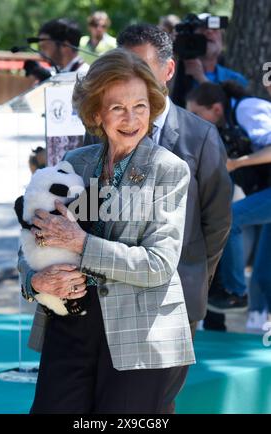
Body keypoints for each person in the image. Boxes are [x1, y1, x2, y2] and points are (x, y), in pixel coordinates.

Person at [18, 48, 195, 414]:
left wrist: (80, 243)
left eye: (140, 106)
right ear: (97, 113)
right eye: (118, 108)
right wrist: (36, 281)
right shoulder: (74, 165)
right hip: (69, 325)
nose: (131, 119)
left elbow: (158, 264)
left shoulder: (169, 170)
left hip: (139, 335)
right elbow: (30, 239)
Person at [116, 24, 232, 406]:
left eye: (141, 67)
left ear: (168, 71)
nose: (130, 79)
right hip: (112, 291)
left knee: (155, 401)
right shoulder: (100, 132)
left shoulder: (200, 136)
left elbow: (216, 221)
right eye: (122, 67)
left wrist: (195, 271)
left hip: (177, 292)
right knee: (115, 399)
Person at [186, 81, 271, 327]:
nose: (192, 120)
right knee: (264, 270)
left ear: (216, 109)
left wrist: (238, 163)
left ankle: (236, 293)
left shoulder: (247, 109)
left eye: (196, 114)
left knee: (230, 218)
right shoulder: (222, 125)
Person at [172, 12, 248, 107]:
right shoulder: (173, 70)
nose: (209, 32)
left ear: (223, 42)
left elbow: (231, 110)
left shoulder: (235, 79)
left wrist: (201, 78)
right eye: (202, 28)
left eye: (215, 29)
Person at [25, 17, 89, 82]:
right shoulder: (57, 72)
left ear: (64, 46)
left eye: (45, 47)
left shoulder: (86, 76)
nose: (41, 53)